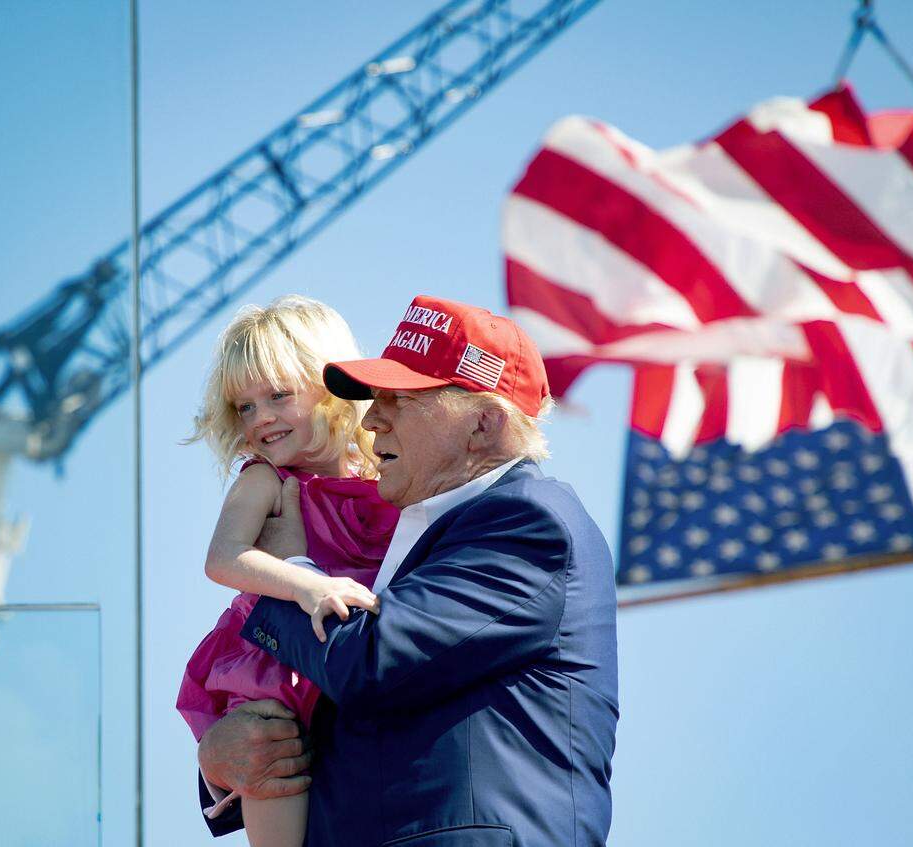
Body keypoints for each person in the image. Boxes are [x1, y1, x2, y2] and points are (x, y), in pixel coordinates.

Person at [198, 294, 620, 846]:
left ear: (483, 425)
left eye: (399, 400)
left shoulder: (527, 520)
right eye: (375, 399)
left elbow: (371, 661)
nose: (372, 420)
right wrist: (221, 757)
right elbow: (324, 697)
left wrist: (286, 570)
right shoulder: (408, 527)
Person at [177, 296, 399, 847]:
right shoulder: (264, 480)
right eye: (245, 407)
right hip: (270, 658)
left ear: (332, 390)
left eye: (278, 395)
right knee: (274, 761)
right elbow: (223, 558)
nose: (262, 419)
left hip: (347, 672)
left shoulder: (381, 477)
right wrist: (307, 581)